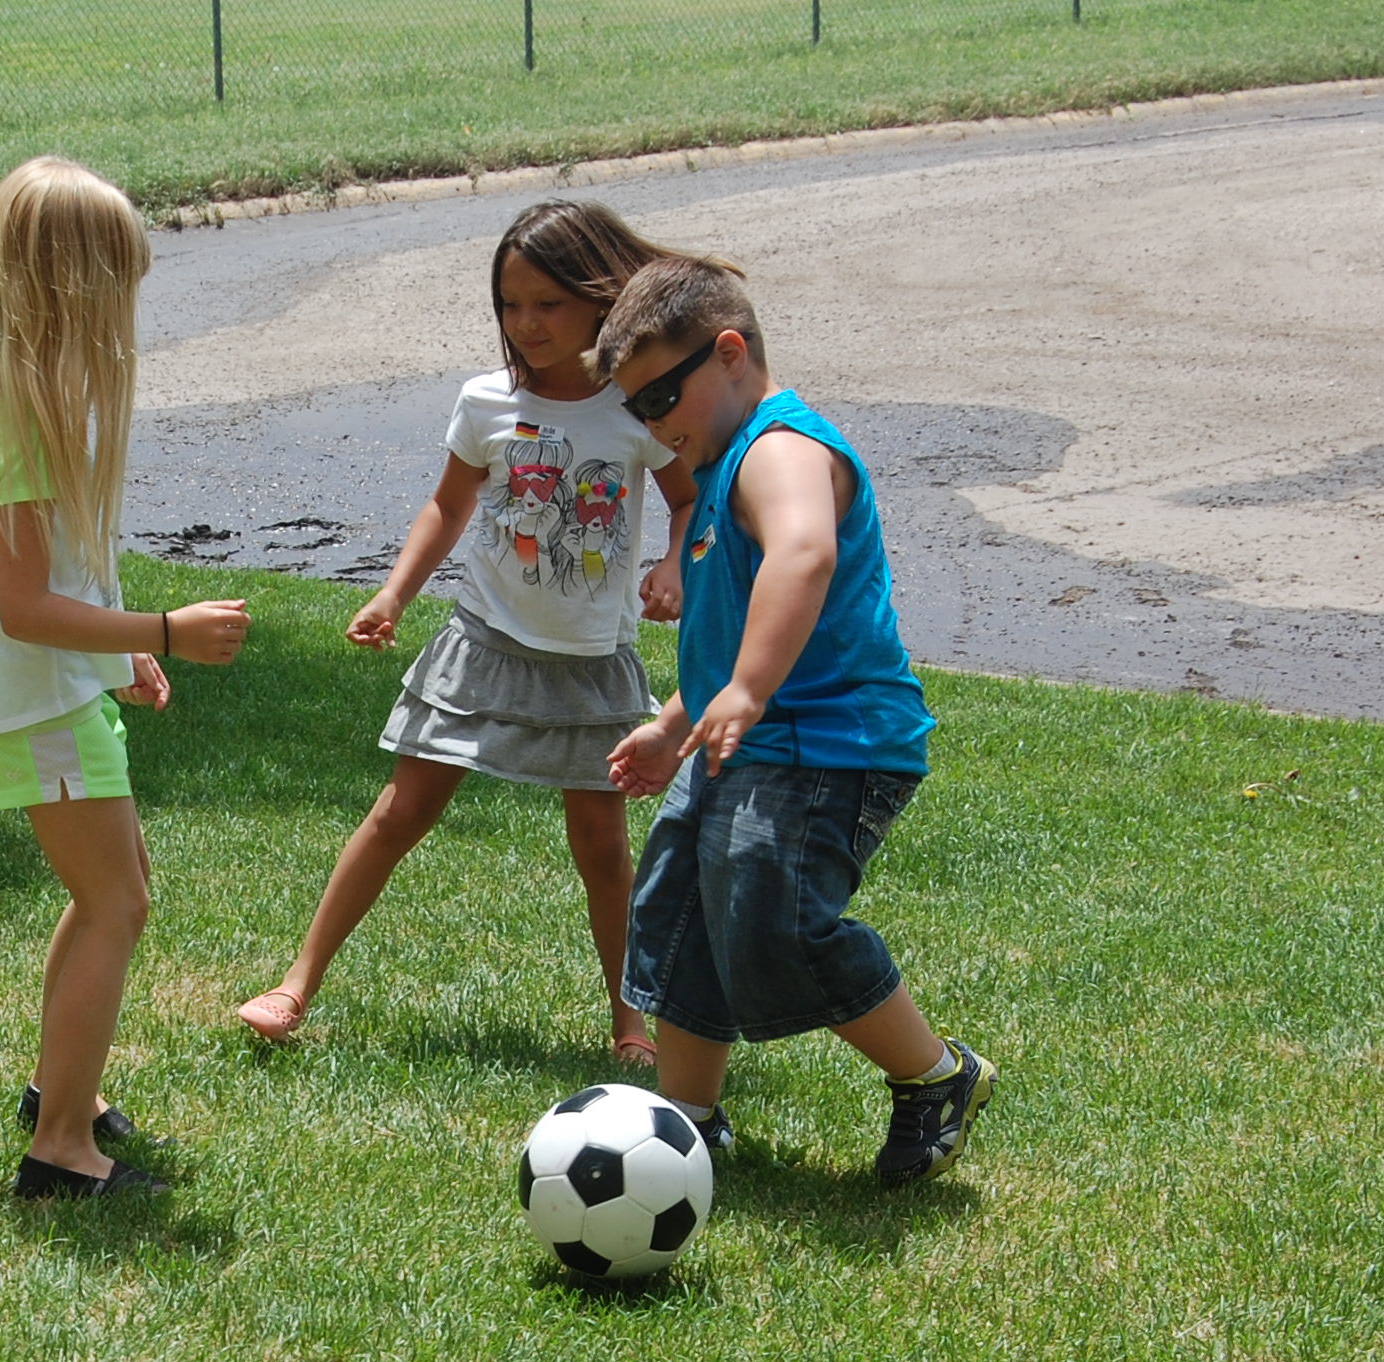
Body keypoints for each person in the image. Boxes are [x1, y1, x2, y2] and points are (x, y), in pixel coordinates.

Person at [236, 200, 696, 1065]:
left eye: (548, 305)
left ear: (600, 299)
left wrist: (674, 565)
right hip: (482, 645)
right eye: (510, 306)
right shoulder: (487, 401)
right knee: (399, 812)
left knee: (601, 847)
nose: (527, 325)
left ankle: (629, 1022)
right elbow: (448, 507)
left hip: (592, 665)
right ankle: (296, 984)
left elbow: (689, 501)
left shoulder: (635, 409)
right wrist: (393, 596)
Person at [595, 254, 995, 1185]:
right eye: (635, 411)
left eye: (660, 399)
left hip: (828, 745)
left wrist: (750, 690)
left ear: (728, 353)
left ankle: (938, 1076)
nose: (653, 427)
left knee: (775, 919)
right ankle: (688, 1121)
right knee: (685, 914)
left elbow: (805, 554)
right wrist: (677, 720)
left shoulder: (779, 449)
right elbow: (736, 636)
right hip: (749, 737)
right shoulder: (725, 459)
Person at [0, 158, 251, 1200]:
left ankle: (52, 1091)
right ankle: (60, 1150)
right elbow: (22, 607)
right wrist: (162, 626)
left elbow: (53, 582)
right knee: (112, 900)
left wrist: (118, 656)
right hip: (29, 700)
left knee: (114, 893)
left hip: (53, 690)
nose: (124, 311)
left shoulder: (26, 400)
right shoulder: (17, 418)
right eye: (114, 285)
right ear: (65, 287)